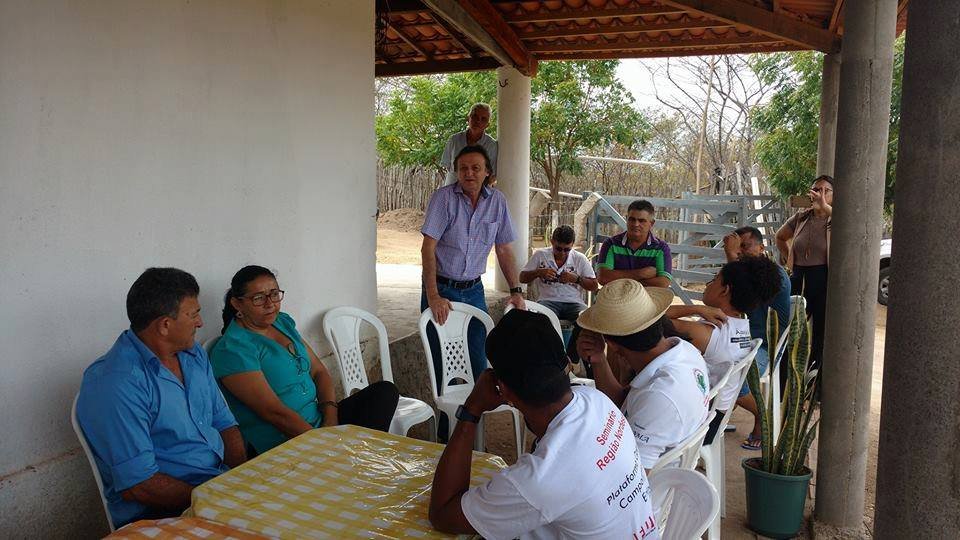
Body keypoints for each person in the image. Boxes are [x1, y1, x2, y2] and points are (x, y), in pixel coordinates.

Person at [429, 309, 660, 539]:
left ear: (504, 389)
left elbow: (443, 514)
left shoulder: (538, 479)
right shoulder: (596, 401)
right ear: (568, 364)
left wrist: (472, 410)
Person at [77, 268, 247, 527]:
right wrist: (215, 500)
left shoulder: (192, 354)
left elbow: (223, 422)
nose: (200, 322)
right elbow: (140, 486)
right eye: (194, 314)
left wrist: (240, 479)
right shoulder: (116, 382)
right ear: (165, 325)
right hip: (163, 514)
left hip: (218, 487)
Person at [209, 265, 399, 455]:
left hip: (320, 423)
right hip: (283, 438)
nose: (270, 303)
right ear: (237, 303)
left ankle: (358, 458)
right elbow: (273, 413)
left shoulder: (281, 323)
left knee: (384, 392)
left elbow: (319, 371)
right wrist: (322, 441)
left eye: (274, 294)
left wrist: (330, 419)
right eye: (258, 298)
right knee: (354, 447)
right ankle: (350, 459)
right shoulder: (233, 350)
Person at [577, 279, 710, 471]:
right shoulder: (685, 352)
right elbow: (623, 402)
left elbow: (634, 478)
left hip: (651, 484)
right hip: (658, 465)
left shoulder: (659, 395)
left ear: (612, 345)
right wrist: (599, 360)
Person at [421, 145, 525, 383]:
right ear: (457, 172)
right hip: (442, 289)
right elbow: (428, 247)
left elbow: (504, 248)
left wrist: (516, 291)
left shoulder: (497, 202)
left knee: (479, 362)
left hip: (474, 291)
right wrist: (433, 296)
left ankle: (472, 419)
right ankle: (446, 420)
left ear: (487, 171)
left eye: (476, 168)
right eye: (463, 168)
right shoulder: (444, 199)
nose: (469, 173)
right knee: (442, 368)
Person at [665, 256, 783, 448]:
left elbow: (647, 318)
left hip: (696, 427)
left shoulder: (708, 334)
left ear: (725, 290)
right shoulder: (741, 325)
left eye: (714, 279)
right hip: (714, 417)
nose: (708, 284)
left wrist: (695, 308)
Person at [722, 226, 792, 449]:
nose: (740, 251)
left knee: (735, 380)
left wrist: (731, 256)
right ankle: (719, 416)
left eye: (745, 246)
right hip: (745, 340)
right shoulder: (748, 270)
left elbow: (741, 288)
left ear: (762, 248)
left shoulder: (773, 274)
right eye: (737, 246)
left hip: (766, 346)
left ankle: (764, 416)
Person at [776, 175, 832, 376]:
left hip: (823, 278)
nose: (820, 194)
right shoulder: (801, 217)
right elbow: (780, 237)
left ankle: (814, 384)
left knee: (820, 334)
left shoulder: (836, 218)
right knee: (790, 330)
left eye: (826, 190)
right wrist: (788, 258)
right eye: (817, 189)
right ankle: (784, 380)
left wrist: (825, 207)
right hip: (799, 276)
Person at [519, 224, 599, 364]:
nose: (562, 253)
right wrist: (539, 272)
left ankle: (570, 359)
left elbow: (593, 285)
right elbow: (522, 278)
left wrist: (577, 279)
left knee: (586, 319)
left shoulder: (579, 258)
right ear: (552, 242)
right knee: (541, 321)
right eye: (558, 249)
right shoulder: (541, 255)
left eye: (567, 250)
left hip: (574, 303)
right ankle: (549, 360)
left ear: (572, 245)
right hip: (547, 300)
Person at [596, 199, 672, 288]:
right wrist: (641, 273)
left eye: (641, 221)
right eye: (632, 219)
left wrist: (620, 279)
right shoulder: (611, 244)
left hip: (648, 299)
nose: (636, 224)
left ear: (651, 223)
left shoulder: (660, 248)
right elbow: (603, 278)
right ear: (626, 219)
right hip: (616, 299)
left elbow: (663, 283)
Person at [441, 103, 498, 187]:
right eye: (475, 116)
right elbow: (447, 166)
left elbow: (491, 177)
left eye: (483, 119)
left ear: (488, 125)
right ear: (468, 118)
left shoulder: (491, 145)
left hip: (476, 196)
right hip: (451, 193)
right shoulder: (454, 140)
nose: (478, 121)